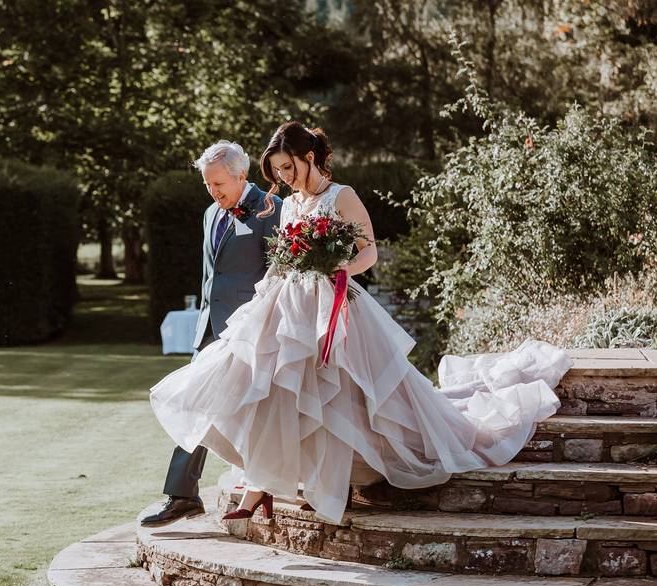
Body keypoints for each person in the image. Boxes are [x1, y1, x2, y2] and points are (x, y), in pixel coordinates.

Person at [149, 122, 572, 525]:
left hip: (334, 303)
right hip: (288, 306)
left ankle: (332, 483)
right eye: (276, 169)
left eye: (287, 167)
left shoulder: (342, 195)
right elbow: (280, 258)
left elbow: (368, 253)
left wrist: (337, 272)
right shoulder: (291, 203)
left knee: (339, 394)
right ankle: (267, 482)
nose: (283, 176)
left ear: (308, 157)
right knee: (276, 392)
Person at [140, 141, 281, 527]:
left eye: (218, 184)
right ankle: (183, 495)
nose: (213, 192)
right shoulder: (209, 214)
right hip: (209, 330)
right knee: (193, 405)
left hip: (249, 331)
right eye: (207, 185)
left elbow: (280, 277)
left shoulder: (273, 211)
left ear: (241, 176)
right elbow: (211, 276)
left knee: (257, 412)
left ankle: (261, 482)